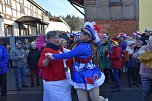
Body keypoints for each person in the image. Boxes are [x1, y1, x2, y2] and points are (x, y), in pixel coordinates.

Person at [46, 22, 107, 101]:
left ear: (89, 38)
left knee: (95, 99)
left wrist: (53, 56)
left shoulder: (83, 47)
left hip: (89, 73)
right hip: (79, 73)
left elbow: (69, 54)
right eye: (82, 32)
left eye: (84, 34)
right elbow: (72, 52)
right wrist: (62, 48)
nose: (81, 34)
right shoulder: (80, 44)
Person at [38, 31, 72, 101]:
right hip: (54, 82)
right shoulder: (46, 50)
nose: (58, 39)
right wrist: (47, 59)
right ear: (49, 39)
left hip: (64, 80)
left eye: (58, 37)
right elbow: (41, 64)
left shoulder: (59, 48)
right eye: (55, 38)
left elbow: (70, 53)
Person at [133, 35, 152, 101]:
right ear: (150, 41)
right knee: (146, 91)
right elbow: (134, 56)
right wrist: (140, 54)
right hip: (145, 74)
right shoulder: (144, 48)